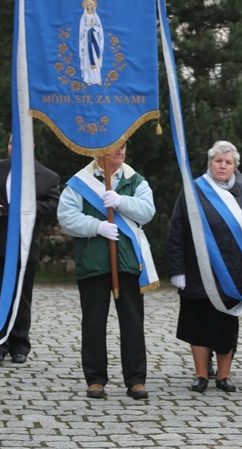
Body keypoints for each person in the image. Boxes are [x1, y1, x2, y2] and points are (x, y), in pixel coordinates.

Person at [167, 141, 242, 393]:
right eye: (218, 161)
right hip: (198, 270)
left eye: (228, 162)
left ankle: (224, 376)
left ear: (235, 166)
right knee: (198, 323)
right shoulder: (193, 191)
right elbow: (177, 231)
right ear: (209, 163)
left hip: (233, 274)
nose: (222, 166)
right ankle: (201, 374)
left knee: (226, 324)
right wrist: (177, 270)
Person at [57, 143, 157, 400]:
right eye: (114, 148)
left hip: (128, 262)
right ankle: (95, 379)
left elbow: (147, 212)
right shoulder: (80, 182)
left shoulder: (136, 181)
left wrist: (122, 201)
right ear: (98, 152)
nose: (120, 152)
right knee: (93, 323)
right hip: (93, 262)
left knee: (133, 323)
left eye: (123, 147)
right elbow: (66, 217)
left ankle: (136, 379)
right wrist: (96, 226)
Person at [0, 135, 60, 365]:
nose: (15, 147)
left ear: (32, 146)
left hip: (25, 245)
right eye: (12, 142)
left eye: (21, 143)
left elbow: (53, 204)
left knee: (21, 298)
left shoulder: (47, 176)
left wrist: (27, 208)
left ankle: (19, 345)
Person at [78, 0, 104, 85]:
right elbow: (82, 30)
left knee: (96, 59)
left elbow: (100, 29)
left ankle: (97, 79)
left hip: (95, 41)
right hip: (87, 41)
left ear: (93, 6)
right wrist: (89, 27)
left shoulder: (96, 17)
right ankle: (88, 80)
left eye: (91, 4)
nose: (89, 6)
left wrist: (94, 27)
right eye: (88, 5)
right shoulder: (84, 17)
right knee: (88, 59)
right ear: (86, 6)